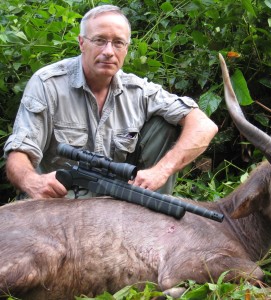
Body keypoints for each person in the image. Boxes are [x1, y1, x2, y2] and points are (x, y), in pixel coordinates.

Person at [3, 5, 218, 199]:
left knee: (167, 123)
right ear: (81, 43)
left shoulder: (138, 91)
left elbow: (204, 126)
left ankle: (151, 215)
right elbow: (18, 153)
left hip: (116, 200)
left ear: (126, 49)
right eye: (99, 40)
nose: (108, 52)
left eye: (118, 43)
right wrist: (33, 182)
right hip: (60, 201)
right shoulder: (47, 83)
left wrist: (160, 171)